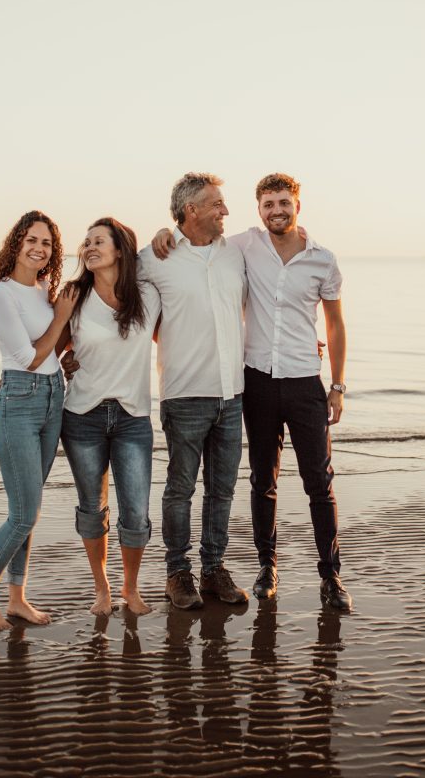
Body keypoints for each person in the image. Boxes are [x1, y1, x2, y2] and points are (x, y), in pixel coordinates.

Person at [152, 172, 352, 611]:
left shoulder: (323, 259)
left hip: (305, 382)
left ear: (297, 204)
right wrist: (164, 232)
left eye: (284, 203)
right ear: (259, 209)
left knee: (319, 482)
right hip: (256, 381)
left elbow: (335, 325)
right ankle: (267, 566)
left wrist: (337, 385)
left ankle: (331, 576)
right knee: (262, 481)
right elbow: (189, 242)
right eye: (268, 204)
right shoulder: (243, 246)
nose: (276, 210)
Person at [139, 173, 249, 610]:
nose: (225, 211)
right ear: (191, 210)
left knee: (222, 489)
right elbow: (114, 302)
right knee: (180, 488)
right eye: (217, 204)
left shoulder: (236, 253)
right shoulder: (153, 257)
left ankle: (213, 570)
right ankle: (176, 573)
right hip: (184, 393)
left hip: (233, 392)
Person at [0, 210, 74, 631]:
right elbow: (27, 357)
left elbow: (49, 350)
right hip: (21, 402)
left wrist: (63, 332)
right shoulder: (1, 293)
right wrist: (62, 317)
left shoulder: (45, 289)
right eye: (31, 239)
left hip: (53, 399)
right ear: (16, 242)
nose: (38, 247)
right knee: (23, 514)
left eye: (46, 242)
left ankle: (17, 598)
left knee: (32, 509)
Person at [58, 218, 161, 617]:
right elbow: (50, 348)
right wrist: (7, 381)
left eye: (98, 241)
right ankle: (101, 588)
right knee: (91, 507)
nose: (89, 247)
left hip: (133, 416)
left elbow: (181, 333)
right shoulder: (74, 295)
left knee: (135, 511)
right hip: (82, 415)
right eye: (86, 242)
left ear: (120, 250)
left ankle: (130, 589)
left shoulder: (148, 296)